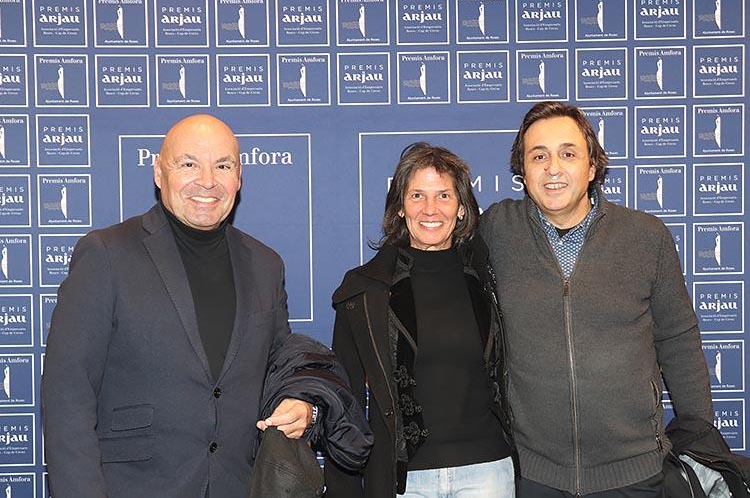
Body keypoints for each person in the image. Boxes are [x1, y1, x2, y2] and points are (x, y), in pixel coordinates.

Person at [41, 114, 369, 498]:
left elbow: (280, 368)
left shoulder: (265, 265)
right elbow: (68, 395)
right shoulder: (106, 254)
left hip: (239, 486)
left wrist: (303, 405)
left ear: (239, 177)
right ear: (159, 172)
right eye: (189, 164)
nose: (208, 180)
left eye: (223, 166)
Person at [479, 102, 713, 497]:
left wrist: (701, 443)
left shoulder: (646, 237)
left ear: (591, 168)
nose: (553, 168)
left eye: (568, 154)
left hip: (635, 474)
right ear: (523, 172)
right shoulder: (495, 231)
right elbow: (432, 242)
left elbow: (679, 341)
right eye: (539, 156)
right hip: (533, 475)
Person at [325, 143, 515, 498]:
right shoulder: (365, 291)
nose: (431, 209)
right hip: (405, 480)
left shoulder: (488, 277)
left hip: (488, 471)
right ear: (400, 207)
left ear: (461, 208)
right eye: (417, 196)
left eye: (444, 195)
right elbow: (344, 398)